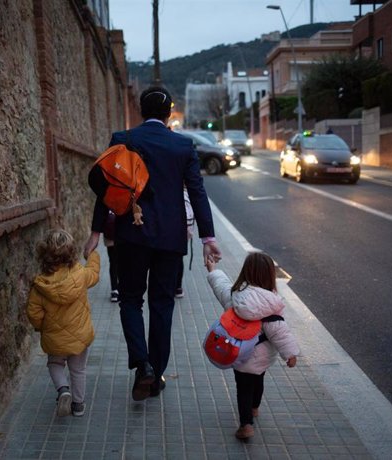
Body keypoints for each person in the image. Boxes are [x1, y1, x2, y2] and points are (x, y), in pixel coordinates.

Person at [83, 86, 222, 401]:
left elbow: (108, 187)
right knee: (163, 305)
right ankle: (155, 374)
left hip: (132, 233)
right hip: (171, 238)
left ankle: (142, 365)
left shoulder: (124, 139)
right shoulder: (183, 146)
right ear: (169, 113)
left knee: (131, 300)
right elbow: (198, 192)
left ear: (142, 112)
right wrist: (207, 238)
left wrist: (95, 231)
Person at [205, 251, 300, 440]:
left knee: (243, 388)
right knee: (258, 381)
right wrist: (290, 354)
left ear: (245, 272)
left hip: (238, 353)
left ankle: (246, 424)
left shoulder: (235, 297)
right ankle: (255, 408)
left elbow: (221, 286)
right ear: (269, 276)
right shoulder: (271, 305)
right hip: (261, 358)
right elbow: (280, 332)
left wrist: (213, 270)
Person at [26, 229, 100, 417]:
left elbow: (33, 313)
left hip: (55, 337)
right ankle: (78, 405)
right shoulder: (81, 275)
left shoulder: (41, 286)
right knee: (78, 369)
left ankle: (62, 389)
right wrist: (93, 255)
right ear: (71, 253)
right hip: (79, 335)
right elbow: (94, 273)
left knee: (55, 364)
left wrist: (42, 327)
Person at [175, 187, 195, 298]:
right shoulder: (187, 193)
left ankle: (172, 284)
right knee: (179, 258)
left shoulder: (172, 191)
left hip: (172, 229)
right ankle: (178, 287)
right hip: (186, 230)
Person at [103, 210, 119, 302]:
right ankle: (116, 288)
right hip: (113, 232)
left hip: (110, 231)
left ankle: (115, 290)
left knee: (113, 262)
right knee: (116, 261)